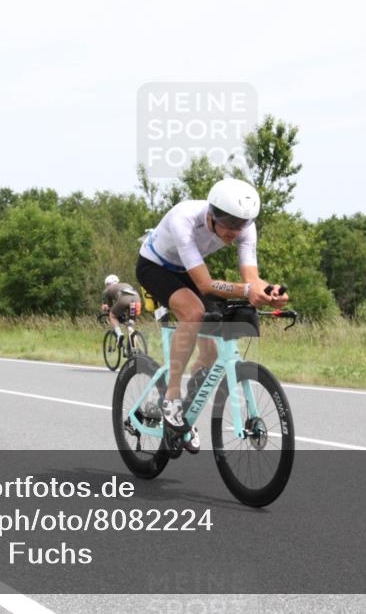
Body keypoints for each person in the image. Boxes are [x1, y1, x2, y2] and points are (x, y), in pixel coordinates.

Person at [136, 178, 288, 453]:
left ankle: (187, 410)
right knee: (193, 312)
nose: (234, 232)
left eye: (240, 225)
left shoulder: (245, 228)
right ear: (212, 214)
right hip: (155, 266)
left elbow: (251, 279)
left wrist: (269, 291)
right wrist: (247, 290)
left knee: (212, 350)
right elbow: (206, 285)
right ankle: (172, 397)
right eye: (229, 224)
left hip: (187, 269)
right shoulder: (184, 219)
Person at [101, 274, 141, 346]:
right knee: (130, 324)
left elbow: (110, 307)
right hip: (137, 300)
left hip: (124, 300)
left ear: (107, 284)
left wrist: (105, 307)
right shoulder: (124, 285)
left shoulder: (108, 289)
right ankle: (134, 348)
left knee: (112, 315)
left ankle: (119, 334)